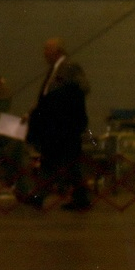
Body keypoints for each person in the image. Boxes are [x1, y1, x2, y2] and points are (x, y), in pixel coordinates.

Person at [24, 37, 91, 210]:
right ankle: (80, 198)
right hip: (57, 126)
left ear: (57, 51)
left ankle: (42, 197)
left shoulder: (69, 68)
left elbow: (81, 88)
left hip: (64, 126)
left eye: (47, 49)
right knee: (64, 162)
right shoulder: (55, 70)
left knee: (60, 161)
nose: (44, 53)